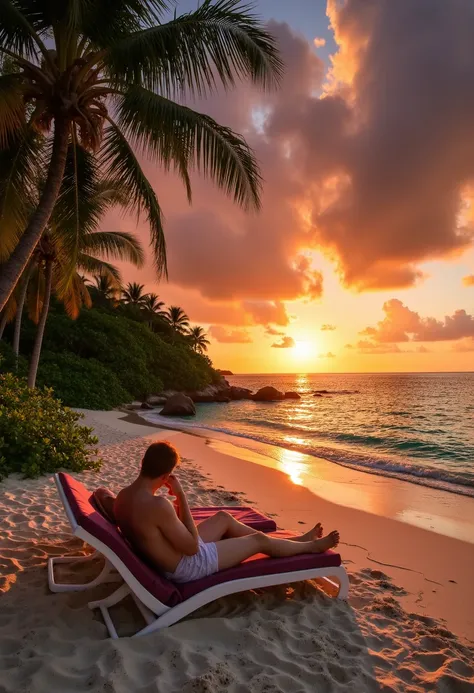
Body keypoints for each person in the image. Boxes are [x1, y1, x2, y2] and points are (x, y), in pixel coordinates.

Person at [114, 441, 340, 584]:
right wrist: (181, 496)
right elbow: (193, 548)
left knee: (223, 518)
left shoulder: (122, 497)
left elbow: (159, 536)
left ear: (143, 463)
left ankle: (295, 542)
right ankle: (311, 547)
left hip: (171, 556)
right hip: (185, 567)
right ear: (166, 477)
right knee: (258, 540)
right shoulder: (158, 505)